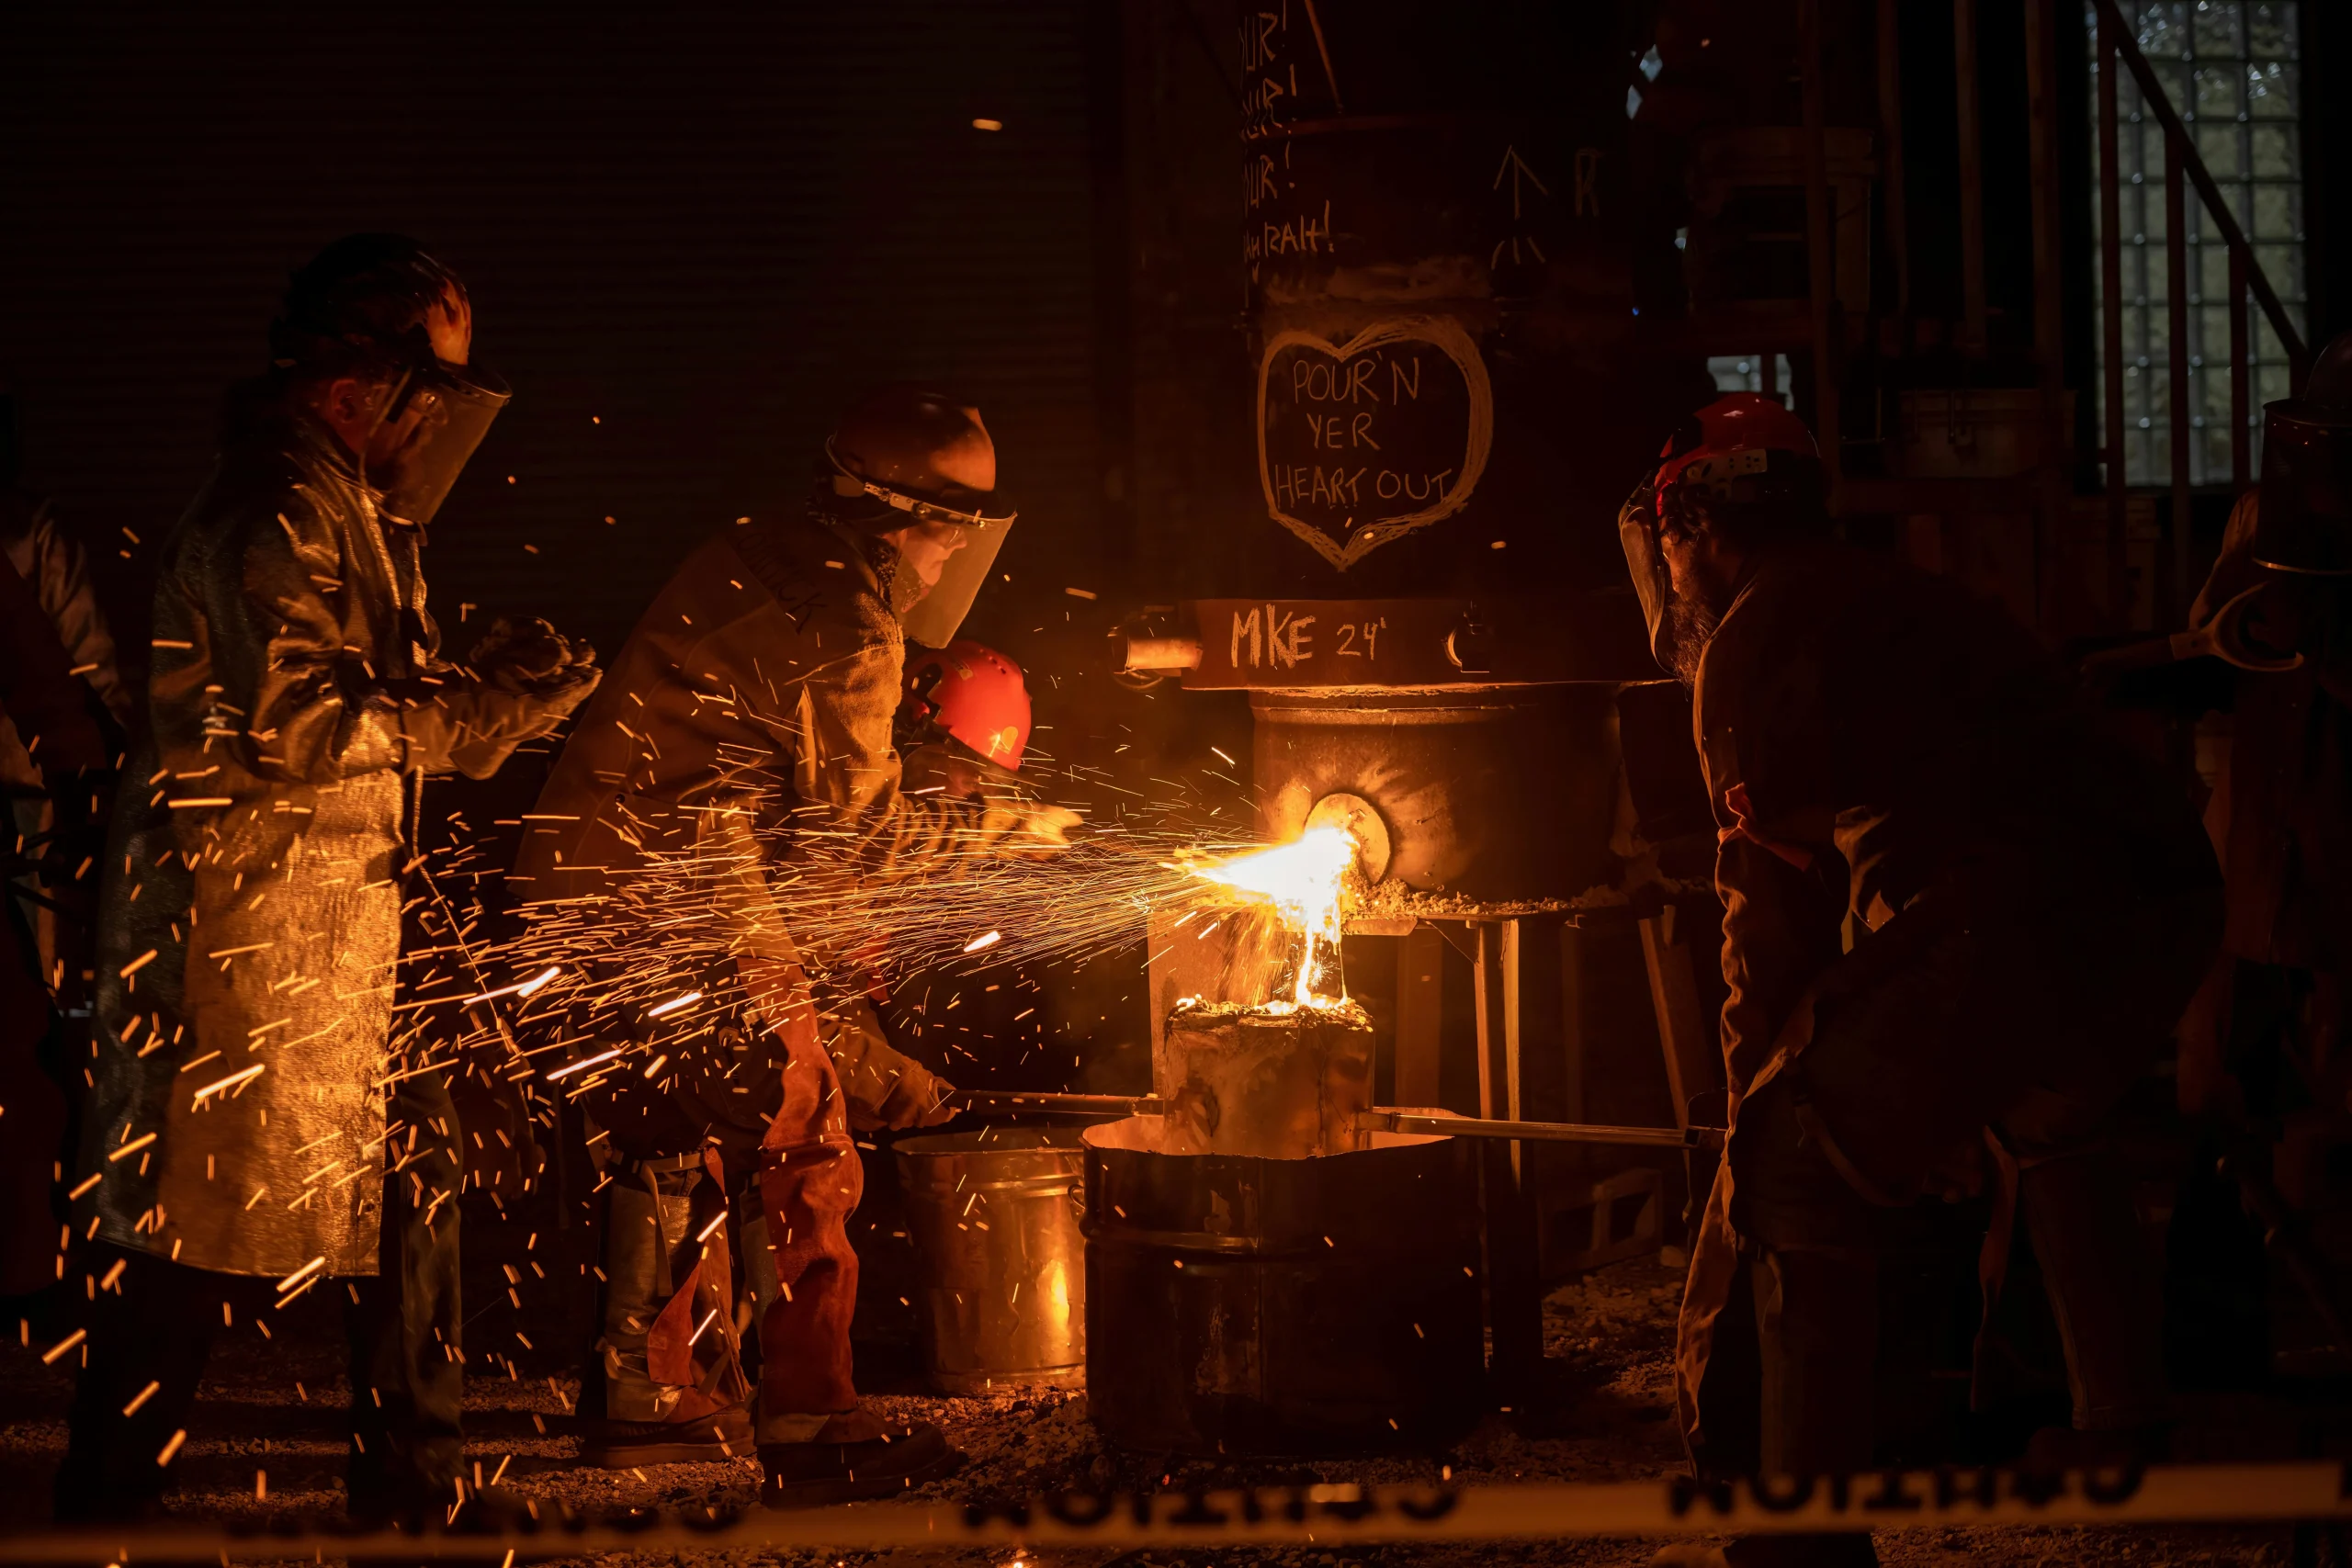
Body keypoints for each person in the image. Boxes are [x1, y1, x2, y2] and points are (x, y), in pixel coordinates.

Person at [1616, 395, 2222, 1565]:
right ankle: (2118, 1423)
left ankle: (1799, 1537)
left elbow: (1773, 928)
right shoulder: (1890, 597)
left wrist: (1762, 1107)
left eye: (1671, 541)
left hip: (2018, 915)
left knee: (1797, 1160)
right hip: (2160, 896)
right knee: (2051, 1116)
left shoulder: (1750, 635)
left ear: (1687, 524)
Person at [57, 235, 601, 1523]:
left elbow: (372, 690)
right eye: (439, 387)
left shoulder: (348, 506)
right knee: (184, 1242)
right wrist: (483, 712)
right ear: (366, 383)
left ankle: (417, 1488)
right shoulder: (275, 508)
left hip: (337, 941)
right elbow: (306, 722)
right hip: (239, 953)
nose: (445, 421)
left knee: (417, 1181)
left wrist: (482, 678)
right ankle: (102, 1510)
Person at [511, 386, 1074, 1506]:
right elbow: (855, 841)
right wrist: (1008, 826)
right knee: (803, 1131)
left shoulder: (762, 550)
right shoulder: (850, 624)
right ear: (916, 520)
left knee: (681, 1128)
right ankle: (818, 1422)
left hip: (593, 879)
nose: (953, 548)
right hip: (673, 890)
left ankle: (655, 1399)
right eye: (952, 524)